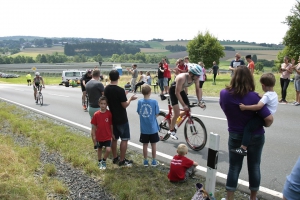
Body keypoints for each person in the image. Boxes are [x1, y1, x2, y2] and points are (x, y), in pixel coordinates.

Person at [219, 66, 273, 200]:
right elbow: (269, 119)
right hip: (256, 135)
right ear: (250, 78)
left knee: (234, 167)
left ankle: (230, 197)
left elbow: (224, 107)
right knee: (254, 167)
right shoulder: (255, 97)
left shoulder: (224, 94)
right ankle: (253, 198)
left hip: (235, 134)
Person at [231, 73, 278, 156]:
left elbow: (259, 106)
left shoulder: (267, 96)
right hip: (267, 116)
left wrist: (245, 107)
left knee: (248, 128)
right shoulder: (274, 94)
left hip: (262, 117)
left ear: (263, 85)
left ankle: (243, 148)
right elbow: (265, 97)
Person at [104, 70, 137, 167]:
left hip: (112, 117)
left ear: (110, 78)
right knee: (124, 139)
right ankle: (122, 160)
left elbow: (110, 101)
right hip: (122, 118)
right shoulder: (120, 90)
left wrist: (124, 96)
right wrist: (130, 99)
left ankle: (115, 157)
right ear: (118, 77)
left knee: (114, 139)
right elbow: (124, 105)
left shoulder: (107, 89)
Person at [168, 63, 205, 140]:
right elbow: (176, 93)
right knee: (177, 112)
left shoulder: (196, 78)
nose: (198, 77)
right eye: (197, 75)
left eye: (199, 75)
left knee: (188, 110)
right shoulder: (181, 78)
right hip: (174, 91)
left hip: (181, 90)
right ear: (191, 74)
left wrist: (200, 101)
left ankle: (175, 121)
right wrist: (183, 105)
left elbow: (197, 89)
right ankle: (171, 130)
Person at [137, 85, 160, 167]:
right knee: (153, 144)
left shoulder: (140, 102)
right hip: (153, 128)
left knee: (145, 145)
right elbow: (157, 113)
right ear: (150, 92)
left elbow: (139, 112)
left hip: (144, 129)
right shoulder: (154, 102)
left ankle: (145, 160)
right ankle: (154, 160)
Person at [90, 96, 112, 170]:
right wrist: (94, 136)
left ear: (107, 105)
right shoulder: (96, 114)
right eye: (101, 103)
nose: (103, 105)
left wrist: (112, 133)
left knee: (108, 149)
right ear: (99, 104)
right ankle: (99, 161)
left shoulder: (109, 114)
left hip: (107, 136)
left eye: (104, 104)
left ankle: (104, 160)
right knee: (99, 149)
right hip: (99, 136)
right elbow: (94, 126)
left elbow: (111, 125)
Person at [86, 69, 105, 138]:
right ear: (99, 75)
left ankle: (95, 144)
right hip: (98, 107)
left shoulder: (87, 83)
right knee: (101, 126)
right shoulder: (98, 84)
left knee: (93, 126)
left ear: (92, 74)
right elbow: (104, 95)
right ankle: (101, 143)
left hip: (90, 107)